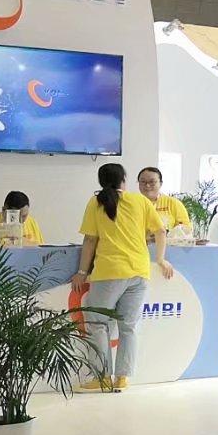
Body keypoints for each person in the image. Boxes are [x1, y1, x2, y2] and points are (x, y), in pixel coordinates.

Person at [71, 163, 174, 392]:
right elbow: (160, 231)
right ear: (124, 180)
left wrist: (82, 272)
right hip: (139, 272)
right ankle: (122, 379)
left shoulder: (96, 202)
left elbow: (90, 240)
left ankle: (102, 377)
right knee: (129, 327)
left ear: (101, 181)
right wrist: (160, 259)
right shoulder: (140, 201)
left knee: (98, 324)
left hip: (109, 273)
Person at [136, 166, 191, 235]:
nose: (147, 185)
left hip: (167, 241)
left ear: (160, 183)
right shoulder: (133, 203)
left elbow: (185, 230)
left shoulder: (173, 203)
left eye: (152, 182)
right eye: (143, 182)